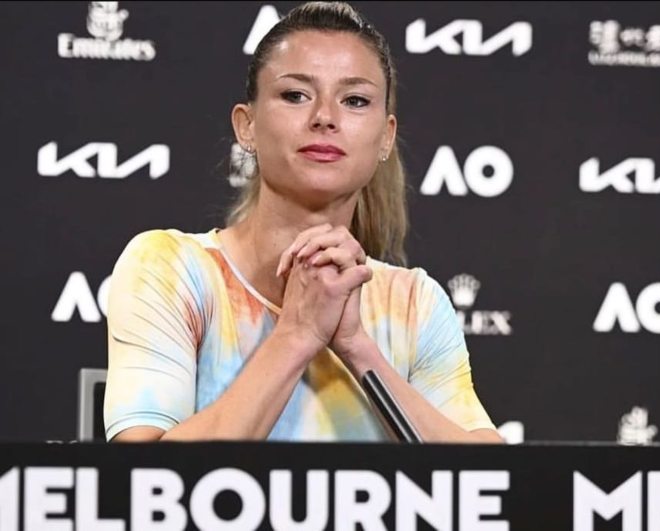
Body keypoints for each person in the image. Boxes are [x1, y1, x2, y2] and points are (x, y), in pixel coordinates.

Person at [104, 1, 504, 444]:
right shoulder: (171, 268)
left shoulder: (414, 302)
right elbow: (140, 474)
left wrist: (357, 346)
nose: (325, 118)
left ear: (386, 137)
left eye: (355, 100)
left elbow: (490, 477)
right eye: (296, 95)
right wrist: (299, 333)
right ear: (246, 126)